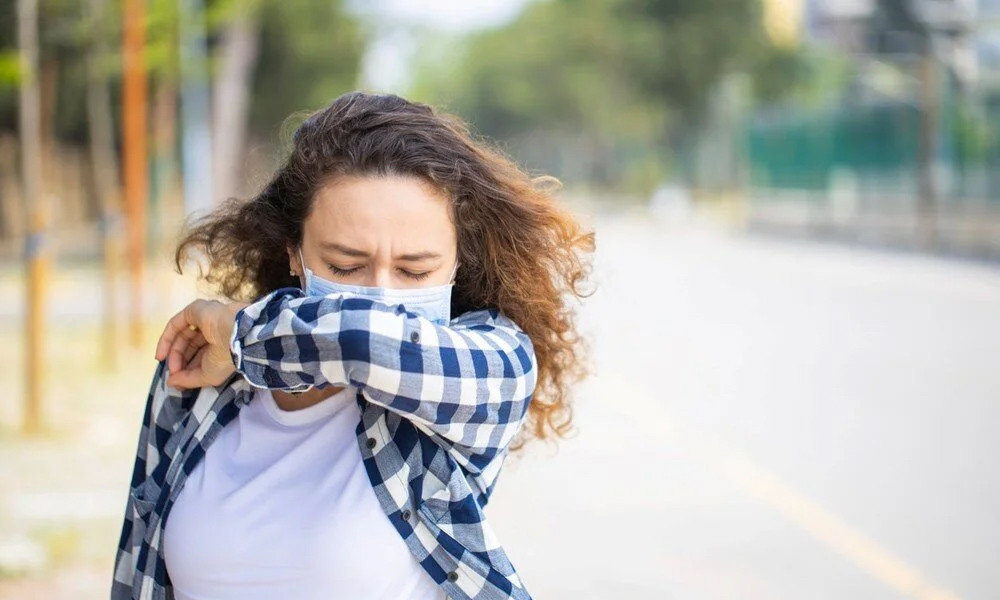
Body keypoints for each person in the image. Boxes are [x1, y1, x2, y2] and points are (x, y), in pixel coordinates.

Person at [110, 91, 595, 600]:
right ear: (293, 253)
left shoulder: (490, 366)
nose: (382, 297)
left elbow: (369, 342)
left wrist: (240, 334)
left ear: (456, 265)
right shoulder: (205, 379)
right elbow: (136, 565)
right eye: (345, 266)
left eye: (415, 270)